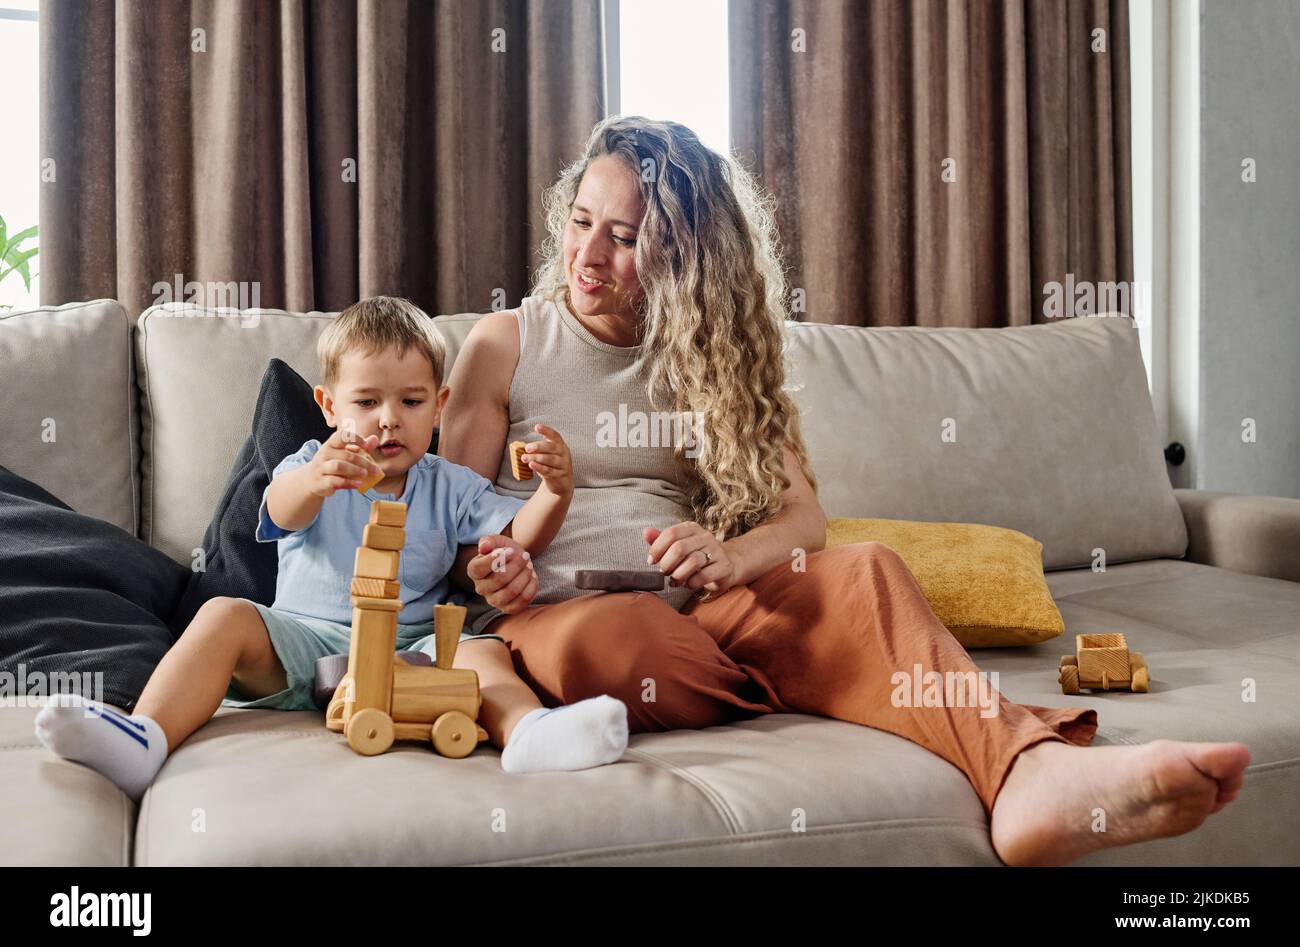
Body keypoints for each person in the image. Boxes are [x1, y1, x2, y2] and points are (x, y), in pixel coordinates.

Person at [437, 116, 1251, 867]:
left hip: (701, 613)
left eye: (624, 237)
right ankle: (816, 674)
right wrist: (492, 565)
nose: (588, 257)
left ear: (686, 254)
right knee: (615, 645)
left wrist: (729, 554)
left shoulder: (715, 355)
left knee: (867, 571)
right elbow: (453, 522)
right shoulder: (507, 344)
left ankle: (1030, 771)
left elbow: (803, 519)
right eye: (581, 222)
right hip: (554, 616)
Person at [34, 296, 628, 801]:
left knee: (484, 649)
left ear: (440, 407)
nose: (389, 421)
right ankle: (145, 737)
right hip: (304, 643)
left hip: (413, 650)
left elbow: (520, 534)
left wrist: (555, 490)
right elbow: (279, 509)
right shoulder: (312, 465)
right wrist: (316, 479)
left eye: (411, 403)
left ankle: (528, 732)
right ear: (328, 407)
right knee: (223, 616)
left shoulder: (450, 483)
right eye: (367, 403)